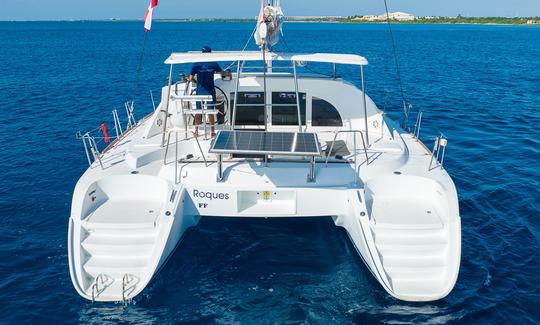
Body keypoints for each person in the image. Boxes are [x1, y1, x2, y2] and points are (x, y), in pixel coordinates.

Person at [189, 46, 227, 138]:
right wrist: (227, 73)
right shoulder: (213, 64)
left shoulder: (196, 64)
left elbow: (190, 78)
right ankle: (212, 132)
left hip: (199, 92)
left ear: (202, 53)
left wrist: (197, 83)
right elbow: (222, 73)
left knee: (198, 112)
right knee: (210, 112)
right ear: (210, 53)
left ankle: (196, 131)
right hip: (210, 91)